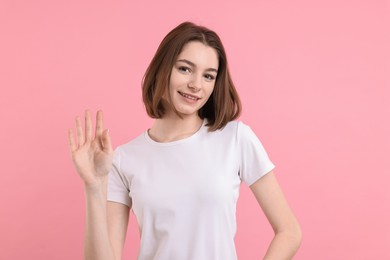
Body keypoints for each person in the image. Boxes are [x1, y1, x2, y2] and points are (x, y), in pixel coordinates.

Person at [68, 21, 302, 260]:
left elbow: (289, 231)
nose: (196, 85)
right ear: (163, 69)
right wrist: (93, 187)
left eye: (208, 76)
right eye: (185, 69)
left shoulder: (235, 138)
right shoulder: (123, 159)